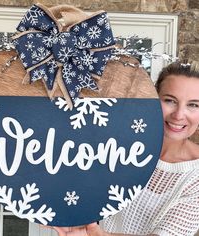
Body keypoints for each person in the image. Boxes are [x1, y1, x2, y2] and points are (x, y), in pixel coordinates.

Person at [49, 61, 199, 236]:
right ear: (152, 99)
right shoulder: (118, 146)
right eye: (170, 101)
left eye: (193, 105)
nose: (179, 115)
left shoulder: (195, 174)